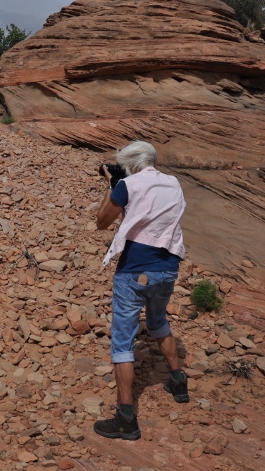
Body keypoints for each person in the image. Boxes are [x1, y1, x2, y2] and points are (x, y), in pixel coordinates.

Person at [92, 141, 189, 441]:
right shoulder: (173, 183)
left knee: (122, 343)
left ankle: (126, 418)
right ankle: (178, 381)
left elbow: (101, 222)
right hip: (168, 268)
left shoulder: (128, 185)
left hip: (135, 269)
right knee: (158, 321)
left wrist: (112, 186)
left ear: (129, 163)